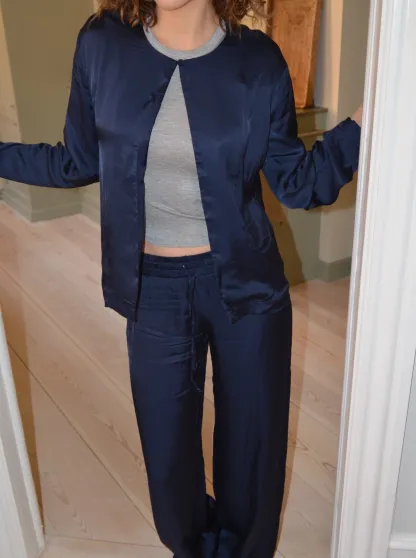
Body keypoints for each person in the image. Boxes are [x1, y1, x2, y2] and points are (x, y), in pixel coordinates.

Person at [0, 0, 362, 555]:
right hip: (154, 289)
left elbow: (298, 182)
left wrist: (364, 123)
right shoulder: (102, 43)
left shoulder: (258, 61)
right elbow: (76, 161)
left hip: (247, 288)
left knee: (252, 446)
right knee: (168, 455)